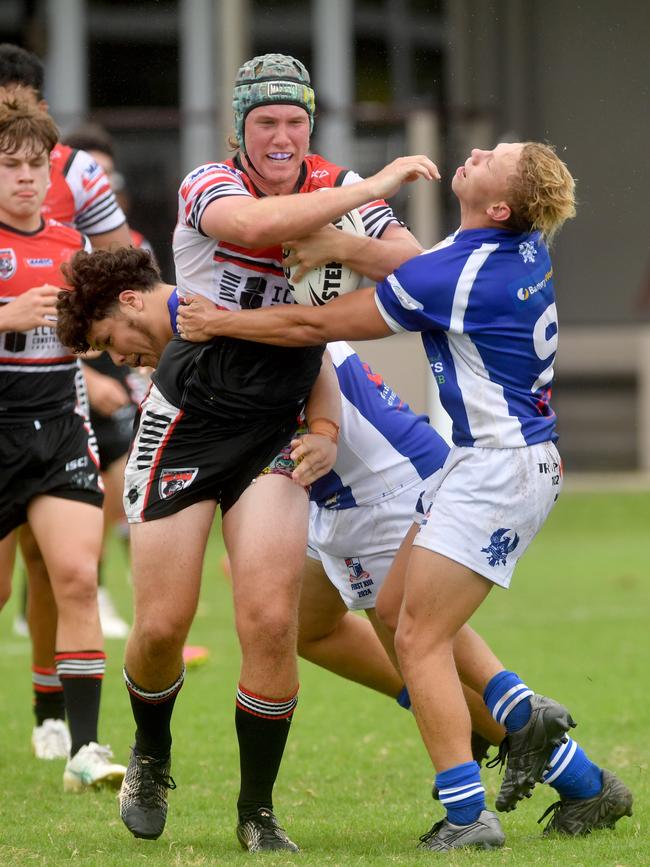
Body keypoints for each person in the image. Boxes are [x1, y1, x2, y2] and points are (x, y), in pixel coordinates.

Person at [175, 140, 633, 849]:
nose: (475, 151)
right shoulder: (504, 247)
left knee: (417, 636)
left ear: (500, 204)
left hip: (495, 471)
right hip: (481, 464)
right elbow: (414, 266)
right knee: (395, 615)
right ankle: (526, 721)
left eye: (491, 158)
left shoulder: (461, 272)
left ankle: (467, 813)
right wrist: (341, 244)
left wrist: (221, 321)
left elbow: (314, 325)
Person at [56, 52, 437, 851]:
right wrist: (369, 191)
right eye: (265, 121)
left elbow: (419, 273)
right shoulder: (210, 185)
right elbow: (253, 228)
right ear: (240, 129)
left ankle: (256, 810)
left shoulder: (329, 185)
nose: (282, 136)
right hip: (187, 421)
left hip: (276, 426)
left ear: (310, 127)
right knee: (162, 624)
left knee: (269, 618)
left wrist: (347, 244)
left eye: (295, 121)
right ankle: (150, 750)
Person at [0, 42, 133, 758]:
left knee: (75, 575)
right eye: (10, 166)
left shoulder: (72, 241)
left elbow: (107, 314)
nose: (25, 178)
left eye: (34, 167)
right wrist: (7, 316)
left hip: (57, 421)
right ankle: (43, 712)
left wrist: (95, 338)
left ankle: (86, 749)